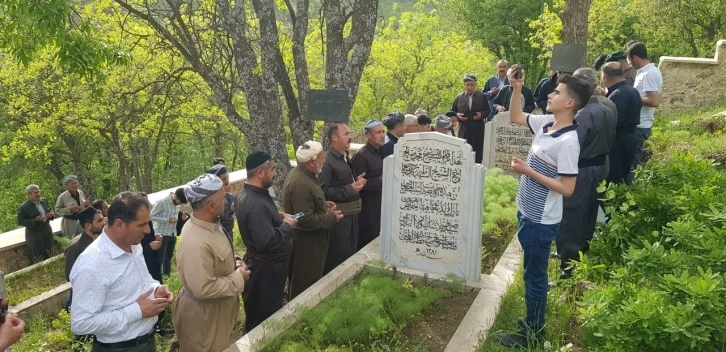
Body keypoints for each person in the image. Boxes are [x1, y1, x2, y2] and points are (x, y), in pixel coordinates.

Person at [496, 65, 584, 347]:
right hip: (528, 212)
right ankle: (532, 326)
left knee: (534, 279)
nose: (550, 94)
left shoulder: (569, 142)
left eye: (556, 92)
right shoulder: (547, 123)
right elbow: (515, 116)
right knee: (532, 273)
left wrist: (528, 171)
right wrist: (517, 88)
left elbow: (567, 189)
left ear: (570, 102)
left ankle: (532, 335)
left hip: (540, 221)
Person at [70, 192, 173, 352]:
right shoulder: (91, 265)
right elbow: (81, 323)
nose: (147, 230)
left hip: (147, 341)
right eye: (141, 225)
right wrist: (137, 311)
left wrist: (156, 289)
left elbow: (142, 280)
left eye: (148, 223)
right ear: (119, 224)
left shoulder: (134, 244)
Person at [172, 174, 251, 352]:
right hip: (204, 320)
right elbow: (204, 288)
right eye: (223, 197)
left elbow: (219, 254)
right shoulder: (195, 241)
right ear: (211, 206)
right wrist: (239, 278)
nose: (226, 200)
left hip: (215, 314)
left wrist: (236, 262)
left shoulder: (210, 224)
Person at [555, 68, 616, 280]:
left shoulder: (584, 114)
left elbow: (572, 145)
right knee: (589, 215)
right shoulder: (609, 104)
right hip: (601, 167)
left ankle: (568, 269)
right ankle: (581, 259)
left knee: (572, 219)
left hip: (582, 170)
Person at [235, 151, 298, 333]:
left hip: (269, 271)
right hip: (265, 275)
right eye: (272, 169)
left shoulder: (254, 194)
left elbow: (262, 226)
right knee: (263, 323)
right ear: (260, 172)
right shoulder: (253, 202)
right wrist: (287, 225)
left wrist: (276, 218)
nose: (276, 173)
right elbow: (266, 242)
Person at [282, 141, 343, 300]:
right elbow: (303, 219)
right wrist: (330, 217)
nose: (324, 161)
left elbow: (308, 206)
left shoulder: (307, 175)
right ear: (311, 162)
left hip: (313, 242)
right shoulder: (300, 183)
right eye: (322, 158)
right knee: (305, 286)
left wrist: (323, 205)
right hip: (306, 244)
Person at [320, 124, 366, 274]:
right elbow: (323, 191)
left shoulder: (345, 158)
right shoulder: (327, 161)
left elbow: (343, 182)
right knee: (339, 257)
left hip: (352, 215)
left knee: (350, 253)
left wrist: (355, 181)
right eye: (346, 134)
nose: (350, 136)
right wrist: (350, 189)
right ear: (335, 138)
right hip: (340, 219)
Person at [627, 41, 663, 183]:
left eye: (630, 60)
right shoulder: (643, 73)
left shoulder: (649, 73)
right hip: (637, 123)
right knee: (630, 162)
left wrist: (632, 96)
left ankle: (628, 195)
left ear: (635, 57)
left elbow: (654, 101)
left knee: (631, 165)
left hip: (641, 125)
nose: (629, 64)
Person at [603, 62, 642, 184]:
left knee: (614, 177)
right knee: (622, 176)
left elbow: (614, 121)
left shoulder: (618, 94)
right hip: (629, 138)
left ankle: (613, 202)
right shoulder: (632, 90)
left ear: (605, 78)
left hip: (618, 141)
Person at [351, 120, 386, 250]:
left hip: (380, 204)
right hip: (368, 208)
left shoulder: (380, 152)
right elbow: (359, 184)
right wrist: (380, 179)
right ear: (369, 135)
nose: (382, 135)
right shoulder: (362, 156)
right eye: (378, 132)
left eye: (383, 132)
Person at [64, 206, 104, 310]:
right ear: (88, 225)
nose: (103, 223)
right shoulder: (75, 247)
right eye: (99, 221)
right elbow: (69, 276)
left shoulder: (102, 239)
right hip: (86, 297)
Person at [451, 74, 491, 163]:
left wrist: (481, 115)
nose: (469, 87)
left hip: (478, 127)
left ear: (475, 85)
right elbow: (452, 111)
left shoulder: (482, 96)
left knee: (477, 149)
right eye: (467, 85)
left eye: (471, 85)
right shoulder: (459, 97)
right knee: (464, 147)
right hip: (463, 127)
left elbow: (487, 111)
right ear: (464, 85)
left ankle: (477, 167)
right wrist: (458, 116)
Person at [150, 188, 186, 276]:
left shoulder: (177, 205)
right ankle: (157, 275)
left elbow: (176, 215)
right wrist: (167, 220)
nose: (180, 203)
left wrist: (182, 218)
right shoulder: (162, 202)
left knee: (168, 256)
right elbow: (152, 215)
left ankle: (167, 275)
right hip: (161, 232)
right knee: (160, 257)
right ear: (175, 196)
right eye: (179, 201)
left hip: (172, 232)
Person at [17, 184, 55, 264]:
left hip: (46, 229)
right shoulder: (24, 207)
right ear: (29, 194)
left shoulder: (44, 201)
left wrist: (51, 214)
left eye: (38, 192)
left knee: (49, 249)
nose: (38, 194)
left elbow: (50, 209)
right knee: (37, 253)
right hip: (34, 233)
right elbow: (20, 221)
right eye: (35, 193)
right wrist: (35, 220)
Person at [206, 164, 236, 237]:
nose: (227, 181)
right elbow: (224, 215)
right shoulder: (213, 196)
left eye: (227, 177)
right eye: (224, 179)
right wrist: (228, 194)